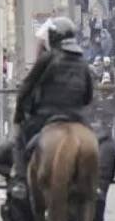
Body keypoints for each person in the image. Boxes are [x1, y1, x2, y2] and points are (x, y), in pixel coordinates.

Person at [14, 17, 94, 168]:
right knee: (96, 143)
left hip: (46, 116)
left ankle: (19, 181)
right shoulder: (83, 62)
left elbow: (26, 87)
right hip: (76, 116)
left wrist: (19, 116)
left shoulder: (47, 58)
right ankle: (96, 186)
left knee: (20, 142)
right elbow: (88, 96)